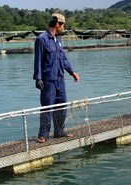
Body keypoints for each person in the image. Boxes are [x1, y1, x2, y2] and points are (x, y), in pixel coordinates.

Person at [33, 13, 79, 143]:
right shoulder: (42, 39)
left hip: (60, 78)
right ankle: (43, 134)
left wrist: (71, 71)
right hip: (48, 80)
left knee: (62, 105)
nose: (64, 27)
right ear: (57, 24)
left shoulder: (58, 39)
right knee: (47, 107)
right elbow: (38, 60)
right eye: (63, 25)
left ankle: (59, 131)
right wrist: (38, 78)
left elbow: (62, 58)